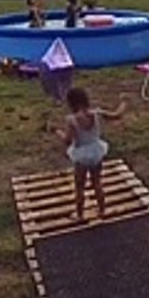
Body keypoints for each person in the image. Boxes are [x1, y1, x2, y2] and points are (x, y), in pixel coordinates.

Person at [53, 87, 127, 221]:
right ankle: (102, 210)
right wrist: (123, 102)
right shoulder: (97, 113)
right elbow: (116, 115)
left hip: (81, 156)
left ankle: (79, 215)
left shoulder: (72, 120)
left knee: (79, 186)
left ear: (71, 103)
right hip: (96, 152)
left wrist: (56, 131)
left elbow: (67, 141)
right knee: (97, 182)